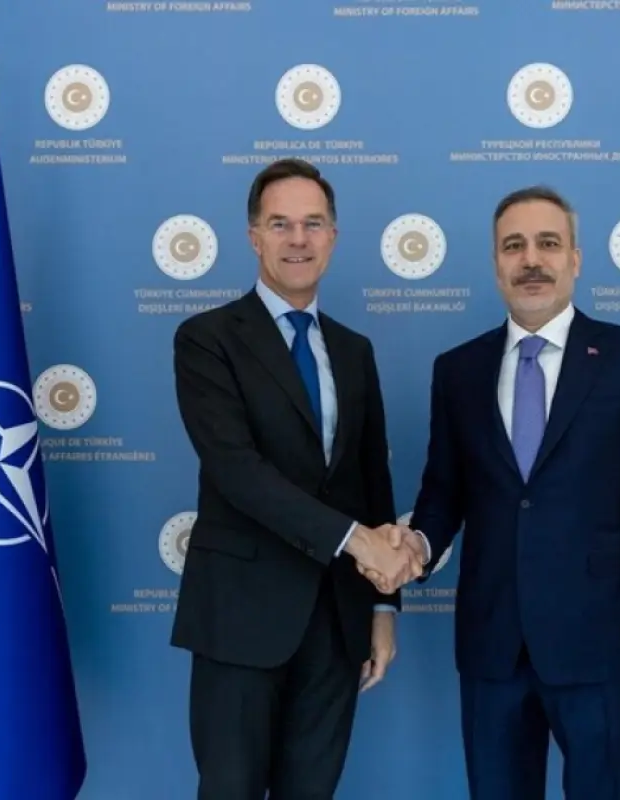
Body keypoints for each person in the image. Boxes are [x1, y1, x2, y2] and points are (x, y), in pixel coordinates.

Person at [373, 185, 620, 799]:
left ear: (575, 258)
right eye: (513, 246)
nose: (531, 260)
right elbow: (443, 492)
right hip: (492, 645)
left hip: (603, 643)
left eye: (548, 244)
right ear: (496, 262)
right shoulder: (457, 370)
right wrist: (416, 545)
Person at [169, 157, 425, 799]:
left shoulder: (354, 350)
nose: (298, 239)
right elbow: (237, 471)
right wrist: (357, 541)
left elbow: (372, 481)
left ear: (333, 237)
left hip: (337, 621)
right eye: (280, 224)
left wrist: (384, 608)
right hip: (240, 617)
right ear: (254, 237)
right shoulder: (206, 339)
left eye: (313, 224)